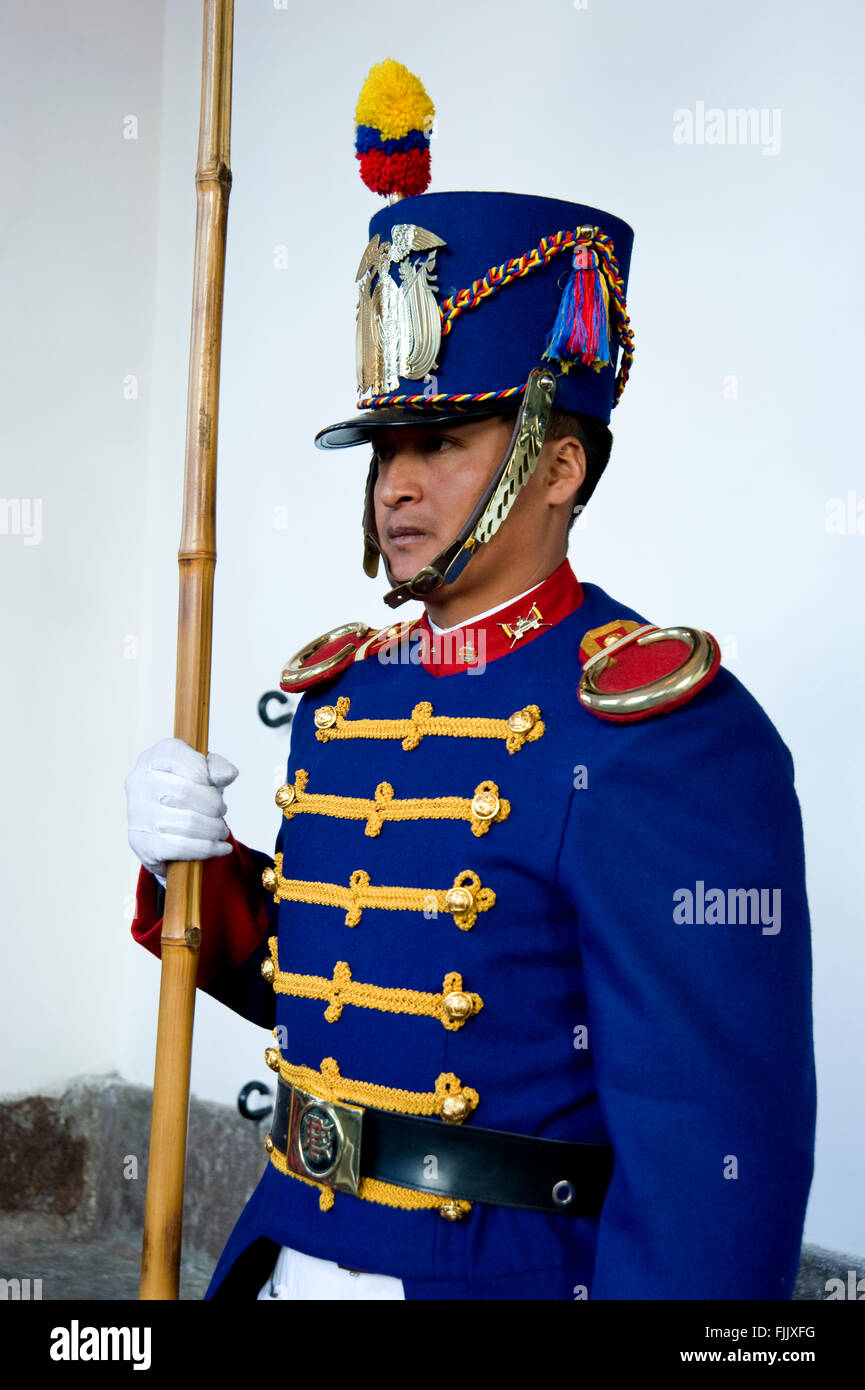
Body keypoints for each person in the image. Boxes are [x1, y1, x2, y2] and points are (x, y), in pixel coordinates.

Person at [126, 60, 816, 1300]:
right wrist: (196, 871)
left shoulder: (671, 739)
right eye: (386, 447)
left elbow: (718, 1154)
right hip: (286, 1259)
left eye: (439, 444)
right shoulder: (346, 691)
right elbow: (340, 983)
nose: (394, 484)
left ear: (556, 467)